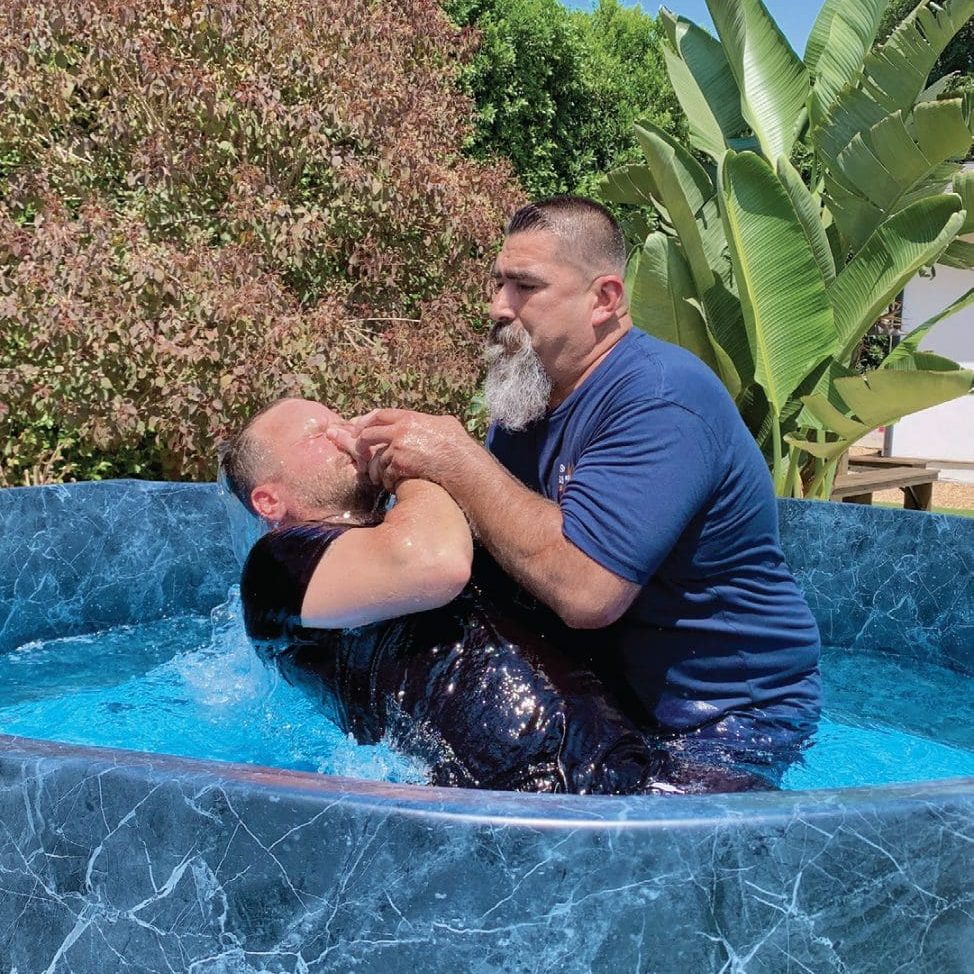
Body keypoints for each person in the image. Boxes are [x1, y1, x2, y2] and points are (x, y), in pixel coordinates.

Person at [329, 196, 822, 782]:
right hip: (610, 701)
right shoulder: (530, 396)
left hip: (722, 720)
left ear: (605, 299)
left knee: (642, 869)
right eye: (497, 283)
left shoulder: (662, 400)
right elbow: (499, 542)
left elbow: (588, 591)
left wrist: (456, 460)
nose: (498, 306)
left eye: (524, 287)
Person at [220, 397, 758, 795]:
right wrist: (417, 467)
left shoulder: (391, 529)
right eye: (318, 435)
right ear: (270, 500)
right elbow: (434, 564)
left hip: (624, 768)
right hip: (528, 798)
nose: (344, 434)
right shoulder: (277, 569)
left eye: (339, 419)